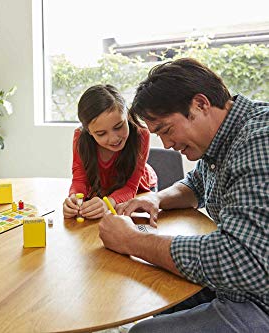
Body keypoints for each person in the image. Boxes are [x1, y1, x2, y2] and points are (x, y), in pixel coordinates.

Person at [98, 58, 268, 332]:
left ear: (200, 105)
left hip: (259, 300)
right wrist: (156, 198)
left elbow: (242, 259)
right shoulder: (225, 137)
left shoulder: (258, 143)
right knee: (160, 293)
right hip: (246, 286)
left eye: (166, 130)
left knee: (144, 331)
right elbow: (196, 184)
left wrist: (133, 241)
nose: (166, 144)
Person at [63, 84, 157, 220]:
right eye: (101, 133)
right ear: (89, 132)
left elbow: (131, 187)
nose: (114, 138)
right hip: (101, 192)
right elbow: (79, 180)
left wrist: (108, 204)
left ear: (127, 115)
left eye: (119, 126)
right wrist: (74, 200)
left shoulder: (141, 134)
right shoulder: (80, 137)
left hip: (139, 190)